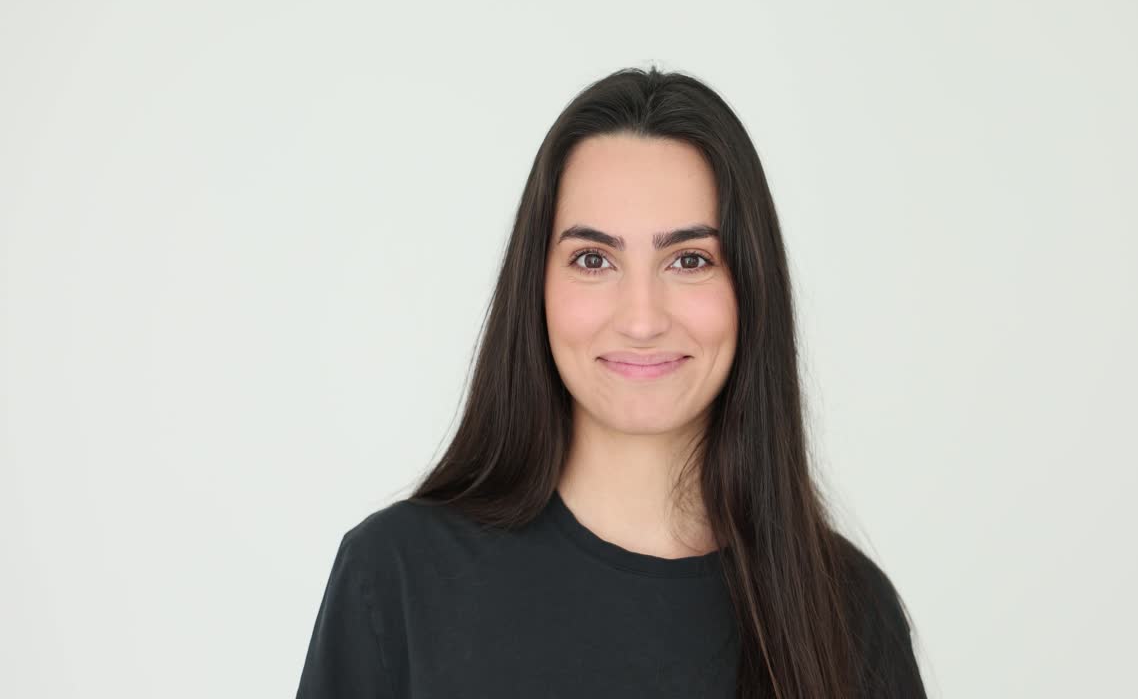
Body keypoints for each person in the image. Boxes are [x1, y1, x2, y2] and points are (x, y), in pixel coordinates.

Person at [295, 66, 928, 698]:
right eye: (594, 259)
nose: (642, 319)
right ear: (536, 287)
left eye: (689, 260)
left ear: (751, 287)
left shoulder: (849, 613)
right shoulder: (398, 578)